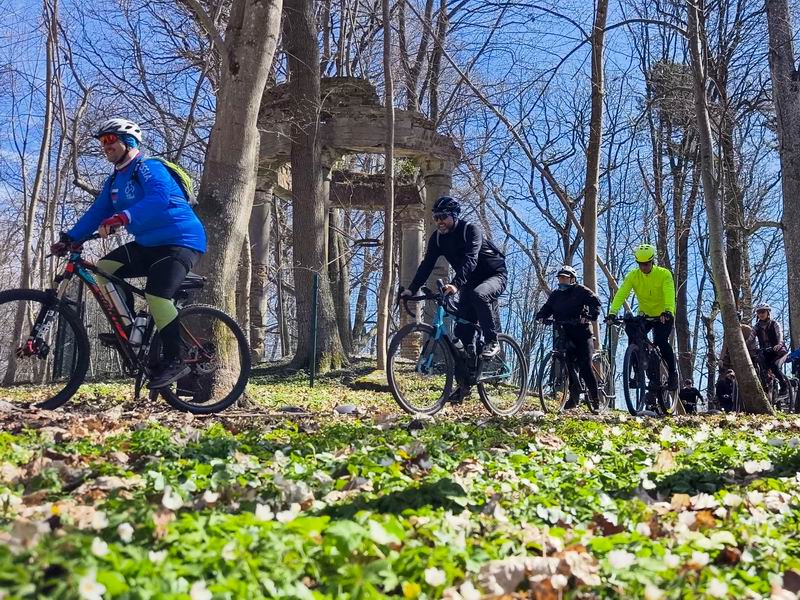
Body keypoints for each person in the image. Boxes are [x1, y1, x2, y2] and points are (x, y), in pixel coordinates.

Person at [50, 118, 207, 389]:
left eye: (110, 140)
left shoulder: (148, 167)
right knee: (105, 268)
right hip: (148, 244)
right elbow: (97, 213)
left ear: (129, 142)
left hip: (181, 241)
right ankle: (131, 329)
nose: (105, 146)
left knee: (157, 295)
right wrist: (70, 238)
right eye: (102, 142)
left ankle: (176, 358)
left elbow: (159, 198)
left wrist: (124, 217)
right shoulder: (114, 181)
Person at [400, 196, 507, 400]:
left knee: (479, 294)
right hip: (467, 282)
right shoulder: (438, 238)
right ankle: (464, 386)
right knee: (460, 336)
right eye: (436, 217)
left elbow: (471, 260)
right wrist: (412, 289)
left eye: (444, 217)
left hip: (493, 275)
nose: (440, 221)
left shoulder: (470, 231)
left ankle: (492, 340)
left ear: (455, 216)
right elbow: (426, 265)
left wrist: (455, 284)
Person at [607, 243, 678, 389]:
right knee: (633, 336)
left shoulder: (664, 274)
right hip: (645, 315)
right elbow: (622, 293)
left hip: (663, 316)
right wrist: (612, 312)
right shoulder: (633, 276)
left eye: (646, 264)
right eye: (640, 264)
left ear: (652, 261)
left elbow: (669, 293)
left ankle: (672, 374)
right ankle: (636, 372)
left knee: (661, 341)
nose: (643, 267)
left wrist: (668, 311)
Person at [535, 265, 602, 411]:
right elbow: (547, 308)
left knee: (585, 365)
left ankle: (595, 399)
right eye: (560, 278)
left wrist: (590, 316)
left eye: (564, 278)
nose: (561, 281)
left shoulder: (581, 290)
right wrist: (541, 316)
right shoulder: (555, 295)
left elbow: (595, 302)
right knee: (568, 364)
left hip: (582, 333)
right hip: (565, 332)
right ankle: (573, 398)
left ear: (572, 279)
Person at [749, 303, 788, 396]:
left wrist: (779, 344)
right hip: (766, 352)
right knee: (759, 361)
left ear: (768, 312)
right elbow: (750, 339)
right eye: (758, 312)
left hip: (778, 352)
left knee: (774, 367)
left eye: (763, 311)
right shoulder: (757, 327)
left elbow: (780, 335)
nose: (761, 314)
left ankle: (784, 386)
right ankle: (765, 383)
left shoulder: (775, 324)